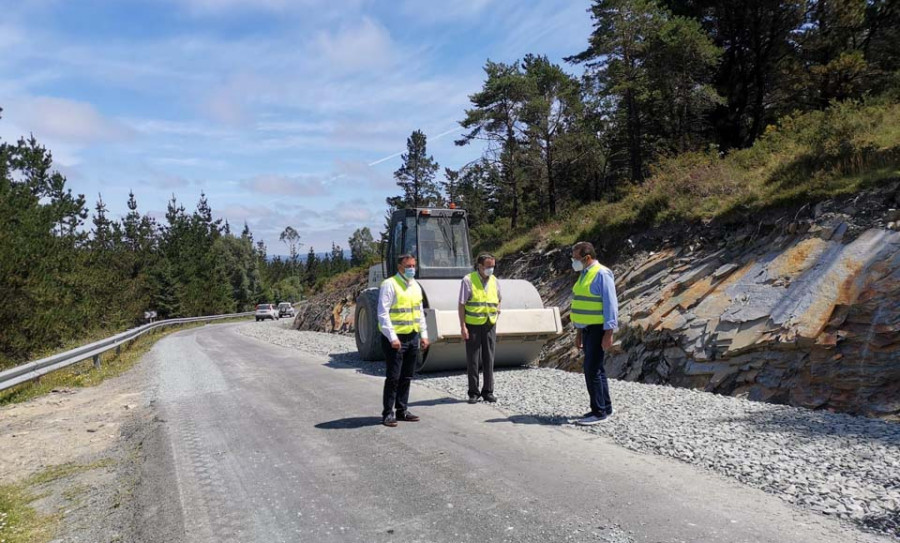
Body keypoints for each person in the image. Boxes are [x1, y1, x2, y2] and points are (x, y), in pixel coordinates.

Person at [377, 254, 430, 427]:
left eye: (414, 266)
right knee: (393, 377)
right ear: (400, 266)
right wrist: (392, 337)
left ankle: (402, 410)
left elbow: (419, 312)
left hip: (412, 336)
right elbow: (383, 313)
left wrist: (424, 334)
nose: (412, 269)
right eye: (409, 266)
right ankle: (387, 413)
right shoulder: (389, 285)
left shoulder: (416, 286)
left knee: (407, 376)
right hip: (395, 339)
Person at [570, 241, 619, 426]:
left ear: (587, 257)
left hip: (599, 329)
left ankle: (599, 412)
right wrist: (579, 332)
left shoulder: (602, 273)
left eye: (576, 258)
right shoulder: (584, 274)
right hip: (587, 329)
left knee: (591, 370)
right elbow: (583, 304)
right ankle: (605, 407)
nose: (574, 261)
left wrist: (609, 332)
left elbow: (610, 304)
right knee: (597, 369)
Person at [459, 253, 501, 404]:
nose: (491, 269)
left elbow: (499, 299)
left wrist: (497, 310)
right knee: (473, 359)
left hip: (490, 323)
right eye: (488, 266)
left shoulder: (495, 281)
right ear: (480, 266)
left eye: (493, 266)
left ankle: (488, 391)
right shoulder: (468, 280)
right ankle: (473, 392)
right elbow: (462, 304)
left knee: (489, 357)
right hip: (473, 325)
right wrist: (463, 326)